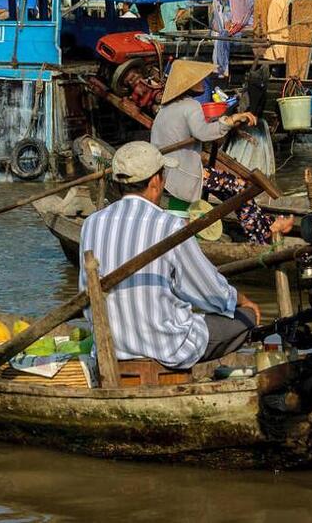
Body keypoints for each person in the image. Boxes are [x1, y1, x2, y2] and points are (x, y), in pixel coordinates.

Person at [79, 141, 263, 369]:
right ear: (155, 181)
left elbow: (85, 291)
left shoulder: (91, 223)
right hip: (166, 346)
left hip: (109, 346)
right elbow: (208, 289)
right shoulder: (169, 225)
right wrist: (241, 301)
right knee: (245, 317)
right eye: (163, 176)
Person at [150, 60, 293, 244]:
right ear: (189, 84)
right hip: (184, 172)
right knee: (240, 188)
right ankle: (263, 234)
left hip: (168, 172)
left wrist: (226, 122)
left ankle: (267, 225)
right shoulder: (190, 106)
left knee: (231, 190)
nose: (203, 82)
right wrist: (230, 120)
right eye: (198, 79)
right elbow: (204, 133)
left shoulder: (165, 109)